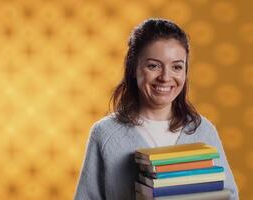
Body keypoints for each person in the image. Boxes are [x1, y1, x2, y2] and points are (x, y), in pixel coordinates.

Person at [74, 18, 239, 200]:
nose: (165, 77)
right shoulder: (105, 134)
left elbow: (229, 195)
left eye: (177, 67)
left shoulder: (203, 131)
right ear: (134, 67)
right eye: (153, 66)